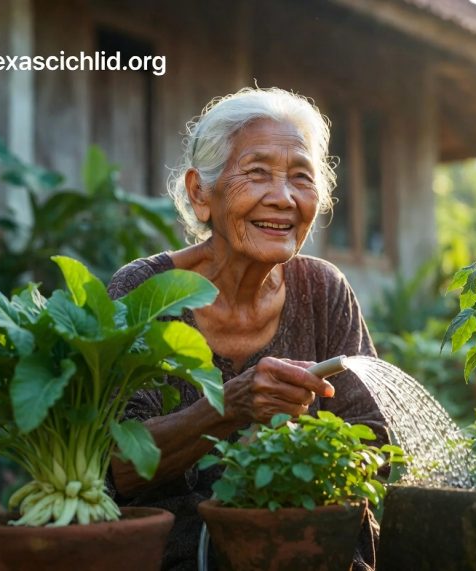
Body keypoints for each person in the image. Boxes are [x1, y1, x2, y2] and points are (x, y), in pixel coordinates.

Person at [107, 87, 387, 570]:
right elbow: (120, 467)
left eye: (301, 177)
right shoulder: (146, 291)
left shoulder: (322, 290)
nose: (283, 198)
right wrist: (230, 407)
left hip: (306, 550)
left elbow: (375, 441)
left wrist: (300, 445)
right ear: (201, 193)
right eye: (257, 173)